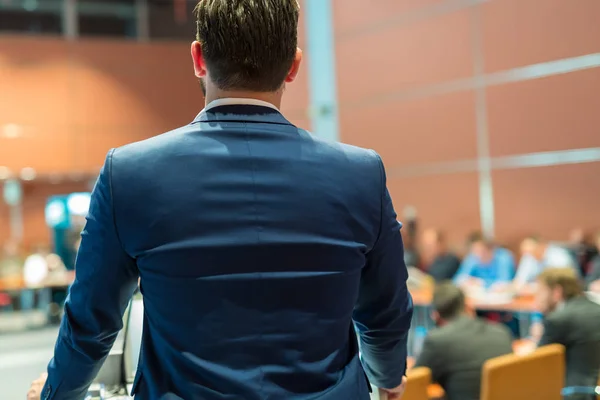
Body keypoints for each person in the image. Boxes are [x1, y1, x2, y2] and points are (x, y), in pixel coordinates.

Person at [35, 2, 413, 400]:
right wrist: (387, 379)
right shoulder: (361, 173)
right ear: (293, 65)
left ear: (199, 58)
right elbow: (386, 314)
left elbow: (90, 325)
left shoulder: (129, 173)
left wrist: (54, 394)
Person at [414, 282, 513, 400]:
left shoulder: (437, 340)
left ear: (435, 315)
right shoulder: (502, 332)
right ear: (467, 306)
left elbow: (414, 383)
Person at [536, 268, 600, 400]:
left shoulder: (558, 320)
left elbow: (537, 365)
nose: (537, 298)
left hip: (573, 394)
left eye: (540, 292)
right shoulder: (596, 308)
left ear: (556, 292)